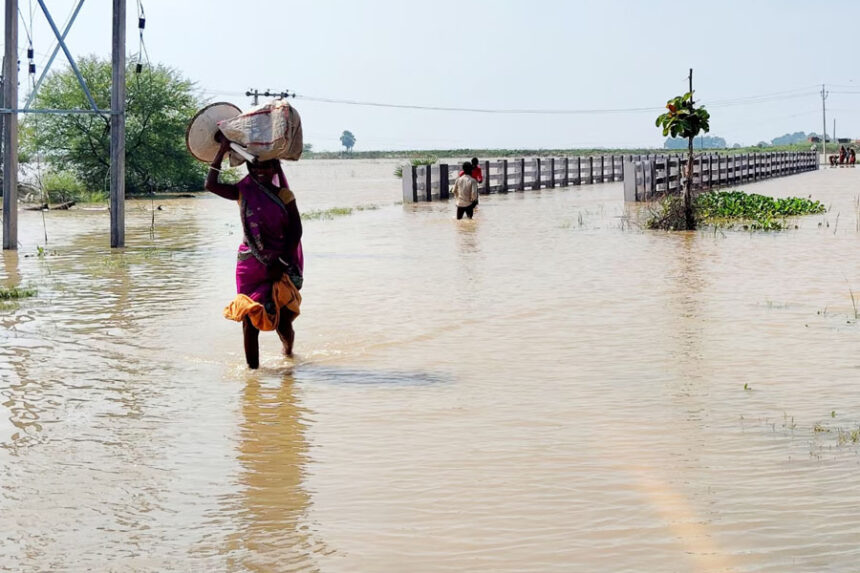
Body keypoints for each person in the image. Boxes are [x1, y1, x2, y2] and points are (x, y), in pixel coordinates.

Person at [205, 136, 303, 369]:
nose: (260, 170)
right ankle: (253, 376)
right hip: (250, 265)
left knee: (283, 321)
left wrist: (280, 261)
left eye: (266, 165)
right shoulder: (243, 191)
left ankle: (288, 353)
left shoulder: (284, 196)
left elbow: (295, 231)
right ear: (249, 167)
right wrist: (222, 150)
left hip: (280, 264)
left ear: (274, 168)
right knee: (249, 318)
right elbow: (211, 185)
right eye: (255, 165)